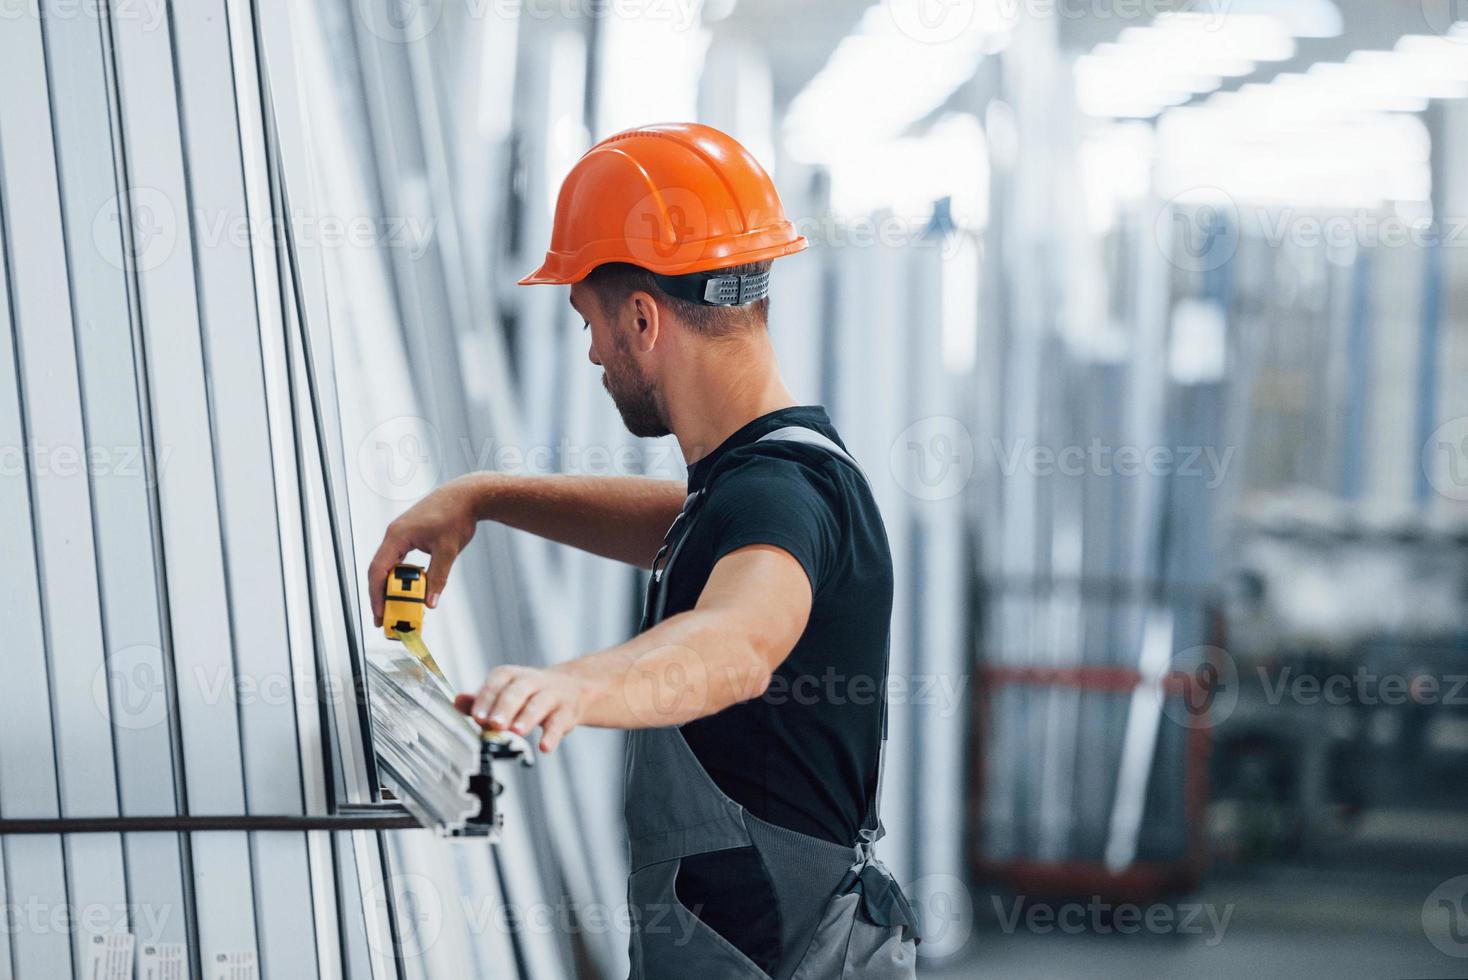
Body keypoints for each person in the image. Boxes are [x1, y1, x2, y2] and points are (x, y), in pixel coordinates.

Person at [368, 122, 917, 979]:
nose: (591, 351)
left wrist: (573, 684)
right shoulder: (763, 484)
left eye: (588, 321)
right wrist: (484, 497)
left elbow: (738, 645)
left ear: (641, 317)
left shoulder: (779, 498)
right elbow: (684, 528)